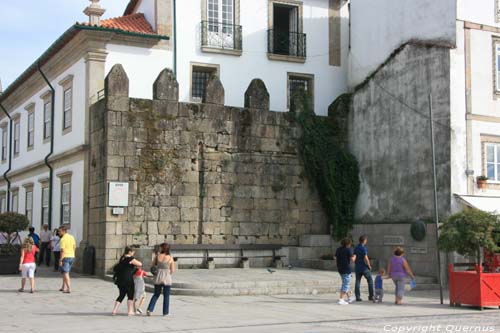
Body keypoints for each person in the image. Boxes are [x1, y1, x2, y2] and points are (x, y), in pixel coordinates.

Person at [112, 246, 142, 316]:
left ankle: (114, 310)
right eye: (133, 252)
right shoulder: (130, 258)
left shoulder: (122, 258)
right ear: (130, 252)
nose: (134, 253)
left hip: (120, 279)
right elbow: (140, 264)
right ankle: (130, 311)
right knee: (130, 295)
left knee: (121, 295)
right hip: (128, 280)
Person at [147, 243, 175, 316]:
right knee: (166, 296)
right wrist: (167, 273)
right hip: (166, 277)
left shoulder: (157, 256)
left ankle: (150, 309)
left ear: (162, 248)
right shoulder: (170, 257)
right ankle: (165, 312)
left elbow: (152, 266)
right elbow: (172, 270)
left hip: (158, 276)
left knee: (156, 294)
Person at [334, 238, 356, 305]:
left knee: (345, 283)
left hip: (340, 269)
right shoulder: (348, 250)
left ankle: (349, 297)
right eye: (350, 244)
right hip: (346, 269)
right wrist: (355, 256)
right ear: (348, 244)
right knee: (345, 284)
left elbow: (335, 257)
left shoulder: (338, 249)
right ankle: (341, 299)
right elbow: (352, 259)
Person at [353, 235, 374, 302]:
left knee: (357, 282)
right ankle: (371, 296)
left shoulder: (356, 248)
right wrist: (369, 265)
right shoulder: (363, 248)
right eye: (366, 240)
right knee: (370, 280)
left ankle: (358, 297)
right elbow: (366, 258)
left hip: (357, 267)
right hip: (364, 268)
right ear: (364, 241)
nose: (366, 241)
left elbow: (354, 257)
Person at [58, 225, 76, 293]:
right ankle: (63, 286)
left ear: (63, 231)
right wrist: (73, 254)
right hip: (72, 256)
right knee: (65, 272)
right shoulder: (72, 237)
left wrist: (60, 260)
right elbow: (74, 247)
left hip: (65, 257)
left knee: (66, 273)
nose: (58, 233)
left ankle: (68, 288)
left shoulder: (63, 239)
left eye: (59, 231)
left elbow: (62, 250)